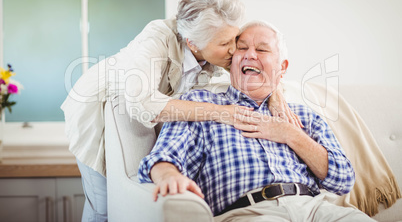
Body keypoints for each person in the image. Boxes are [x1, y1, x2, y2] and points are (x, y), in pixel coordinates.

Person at [61, 0, 299, 221]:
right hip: (97, 105)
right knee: (102, 203)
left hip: (154, 109)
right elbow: (141, 101)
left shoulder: (216, 43)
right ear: (193, 43)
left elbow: (256, 66)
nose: (234, 50)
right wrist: (223, 113)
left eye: (234, 39)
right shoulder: (157, 37)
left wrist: (276, 93)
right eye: (226, 43)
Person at [138, 20, 375, 221]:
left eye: (262, 50)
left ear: (282, 68)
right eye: (242, 48)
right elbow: (163, 158)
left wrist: (290, 135)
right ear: (231, 63)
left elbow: (343, 180)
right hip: (250, 211)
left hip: (315, 209)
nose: (250, 54)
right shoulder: (199, 104)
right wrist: (169, 176)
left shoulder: (303, 116)